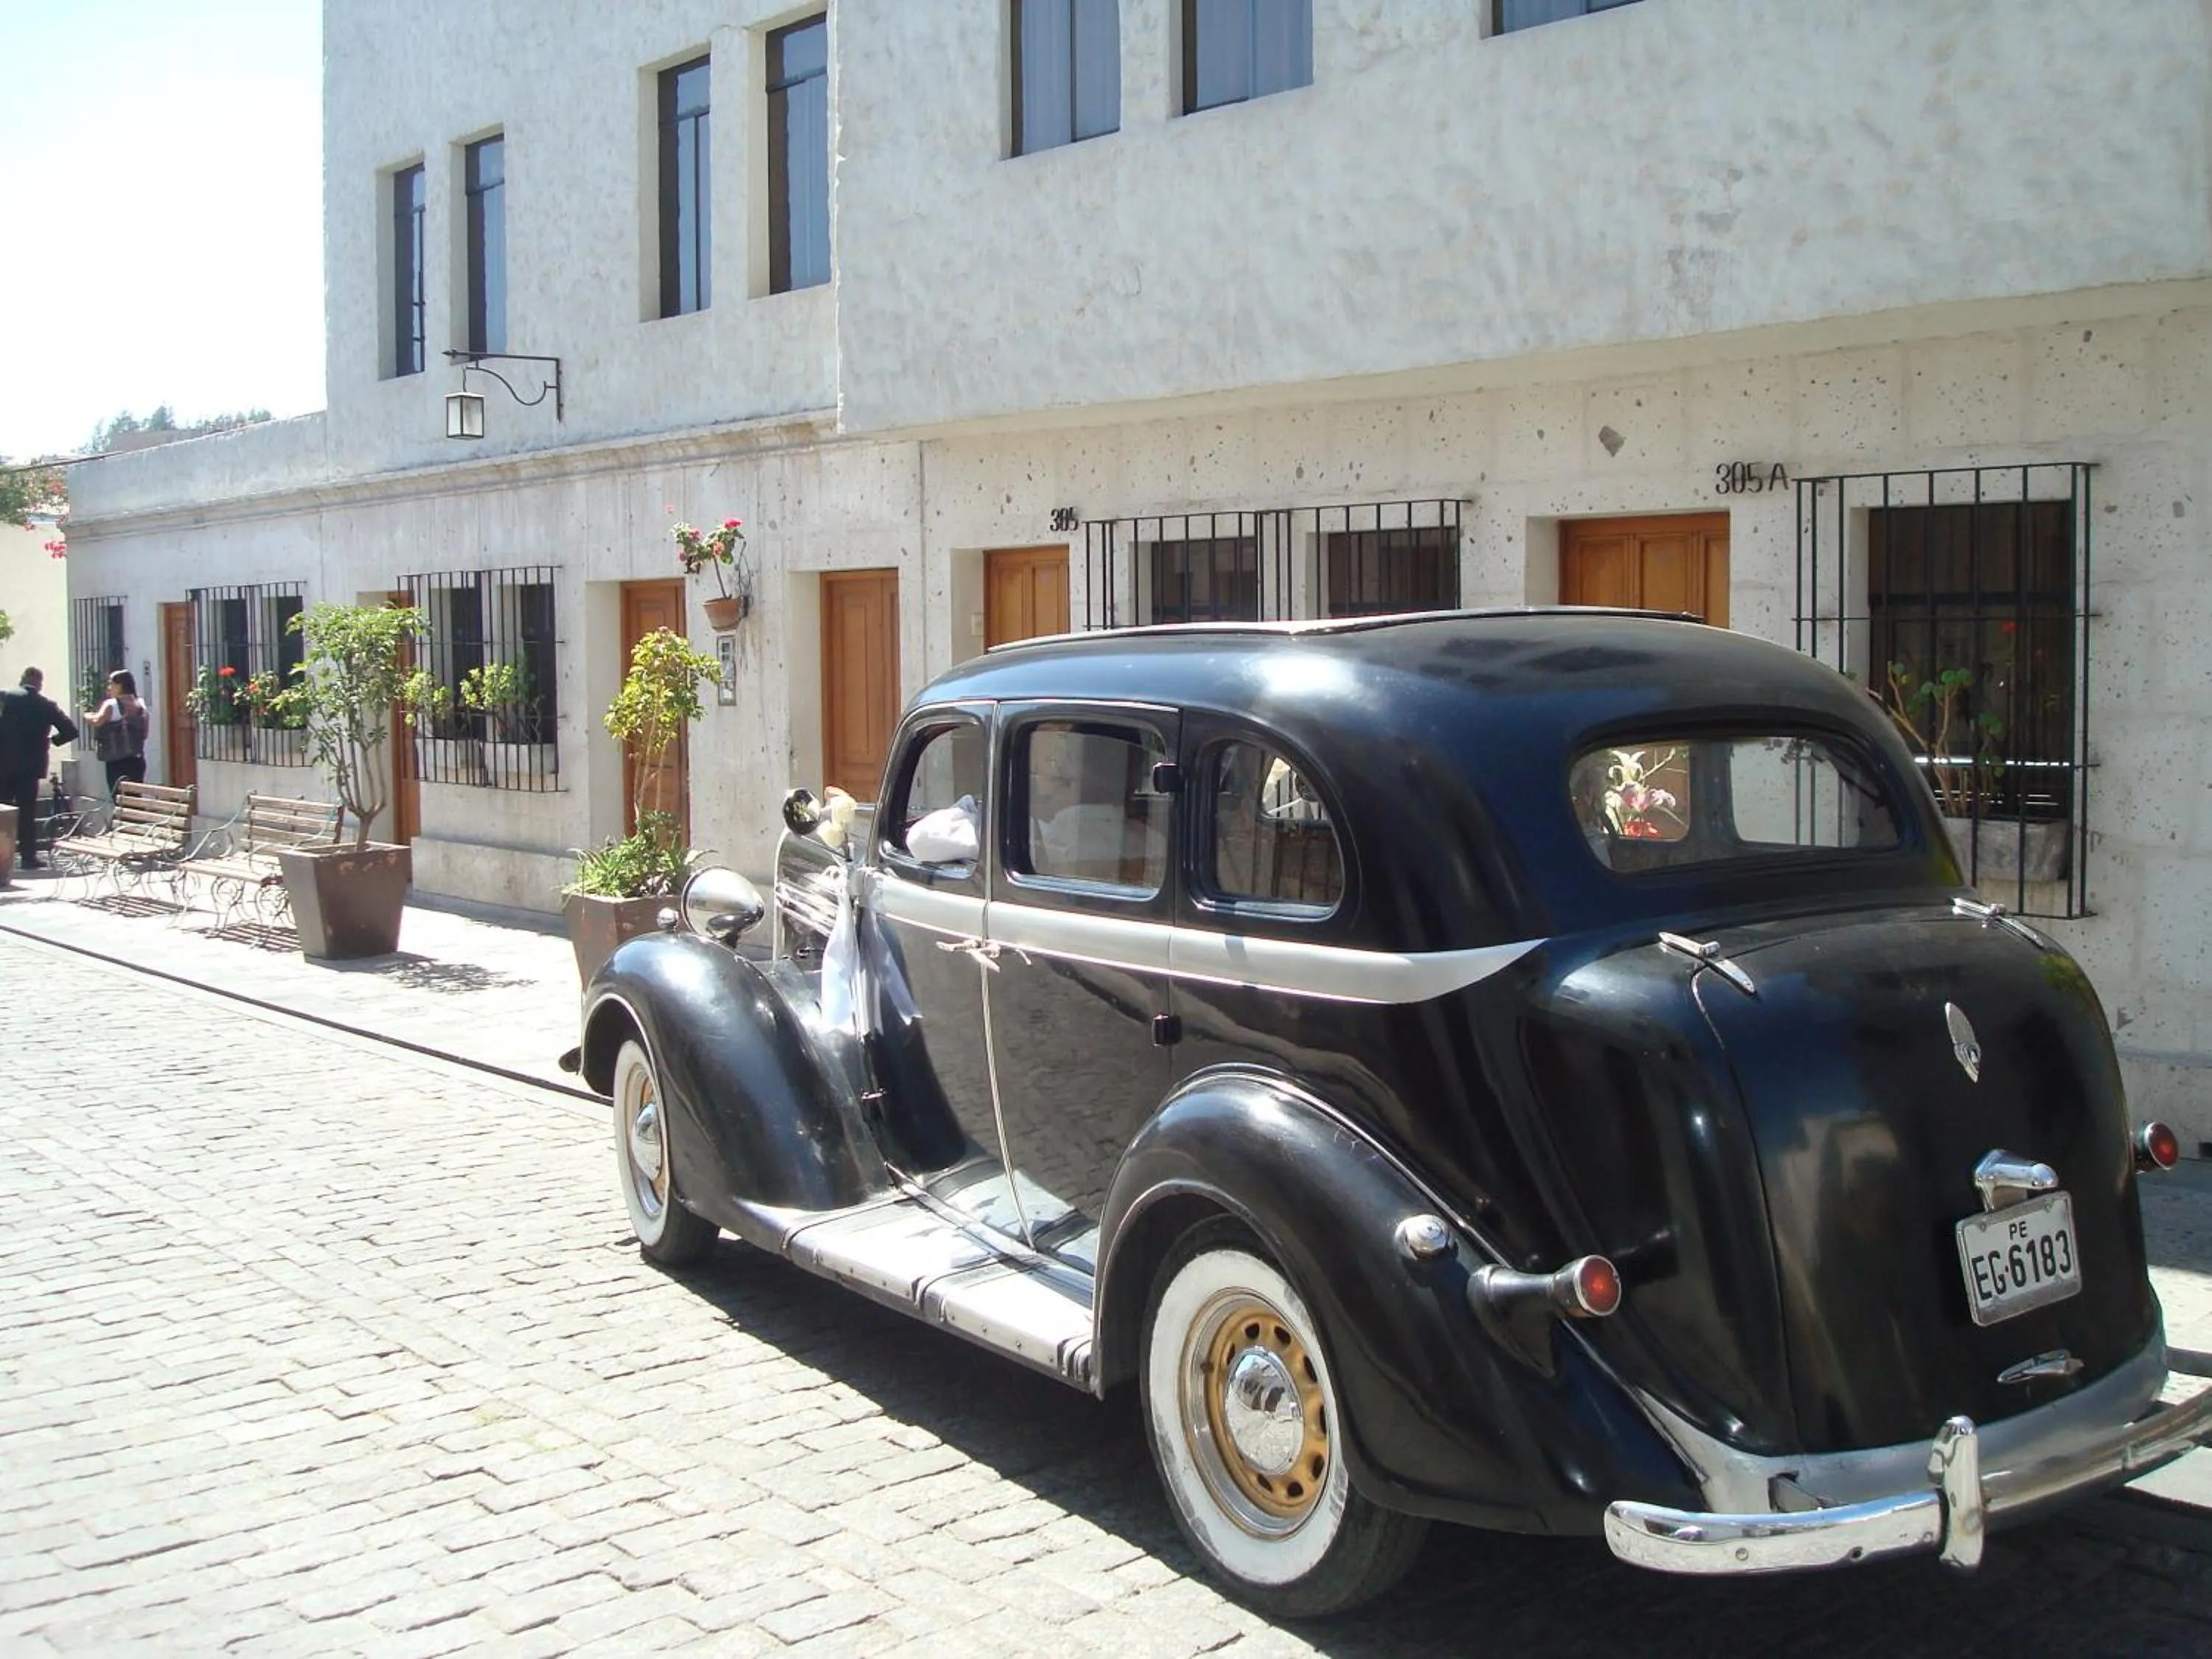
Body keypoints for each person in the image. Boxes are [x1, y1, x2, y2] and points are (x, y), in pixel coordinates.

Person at [0, 667, 80, 869]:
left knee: (2, 811)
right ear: (40, 684)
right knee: (27, 813)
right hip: (31, 767)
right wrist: (51, 741)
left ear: (22, 679)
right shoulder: (46, 705)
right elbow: (71, 731)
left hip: (4, 764)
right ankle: (28, 857)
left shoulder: (5, 697)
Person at [85, 669, 151, 795]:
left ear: (120, 685)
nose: (109, 688)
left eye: (111, 683)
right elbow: (145, 733)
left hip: (116, 761)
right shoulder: (141, 705)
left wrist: (87, 716)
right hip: (137, 760)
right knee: (135, 800)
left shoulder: (111, 705)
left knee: (119, 799)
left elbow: (97, 721)